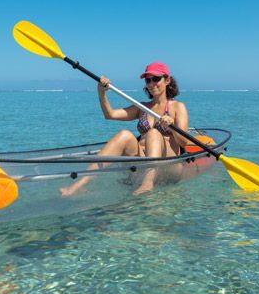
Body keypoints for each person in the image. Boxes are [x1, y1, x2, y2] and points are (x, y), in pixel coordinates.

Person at [60, 62, 190, 196]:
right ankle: (78, 186)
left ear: (167, 80)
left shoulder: (177, 106)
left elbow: (184, 142)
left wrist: (172, 126)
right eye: (148, 80)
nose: (151, 84)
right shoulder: (143, 107)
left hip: (169, 166)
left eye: (156, 79)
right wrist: (101, 91)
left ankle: (147, 184)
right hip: (143, 163)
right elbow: (110, 114)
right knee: (124, 135)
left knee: (153, 133)